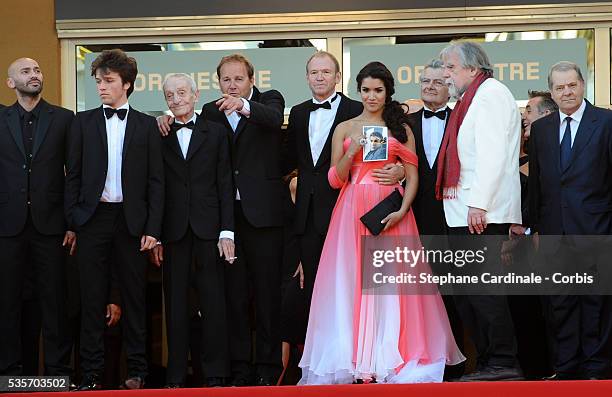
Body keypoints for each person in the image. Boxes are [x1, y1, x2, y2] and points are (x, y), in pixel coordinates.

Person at [298, 61, 465, 385]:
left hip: (391, 213)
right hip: (351, 212)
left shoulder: (401, 128)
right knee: (353, 282)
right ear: (358, 91)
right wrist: (352, 152)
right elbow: (334, 179)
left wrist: (402, 210)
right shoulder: (345, 128)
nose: (372, 96)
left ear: (388, 92)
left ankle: (390, 355)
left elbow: (414, 176)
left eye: (378, 90)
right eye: (366, 90)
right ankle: (358, 359)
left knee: (391, 286)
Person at [159, 54, 285, 386]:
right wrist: (164, 117)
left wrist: (242, 105)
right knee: (233, 296)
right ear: (217, 83)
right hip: (223, 219)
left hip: (263, 216)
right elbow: (188, 126)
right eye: (226, 80)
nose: (231, 85)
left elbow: (272, 119)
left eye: (238, 79)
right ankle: (240, 367)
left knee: (267, 294)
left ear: (251, 80)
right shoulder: (211, 113)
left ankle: (268, 369)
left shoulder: (269, 100)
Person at [282, 51, 404, 356]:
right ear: (307, 77)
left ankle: (366, 352)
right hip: (309, 216)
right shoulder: (297, 113)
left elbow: (388, 154)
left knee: (362, 285)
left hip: (353, 211)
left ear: (338, 78)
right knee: (319, 290)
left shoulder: (360, 109)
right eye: (314, 72)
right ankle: (330, 354)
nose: (320, 77)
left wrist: (401, 169)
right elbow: (291, 162)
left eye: (326, 72)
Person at [65, 49, 164, 390]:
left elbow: (156, 182)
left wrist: (153, 229)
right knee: (91, 298)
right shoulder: (82, 122)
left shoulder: (148, 125)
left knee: (135, 298)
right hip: (93, 219)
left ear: (127, 84)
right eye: (98, 81)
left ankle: (138, 371)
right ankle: (91, 374)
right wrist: (75, 220)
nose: (101, 88)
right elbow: (72, 176)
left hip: (131, 221)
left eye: (108, 81)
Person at [438, 41, 523, 381]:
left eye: (451, 68)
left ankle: (503, 362)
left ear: (472, 69)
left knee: (484, 292)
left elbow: (493, 154)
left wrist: (479, 203)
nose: (446, 74)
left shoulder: (490, 95)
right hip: (464, 212)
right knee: (469, 293)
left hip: (480, 213)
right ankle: (489, 361)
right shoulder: (470, 98)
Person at [150, 73, 235, 388]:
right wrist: (156, 233)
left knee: (214, 302)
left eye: (182, 92)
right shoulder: (158, 132)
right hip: (173, 231)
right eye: (170, 95)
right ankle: (175, 375)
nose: (176, 99)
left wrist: (228, 231)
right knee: (175, 305)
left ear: (196, 94)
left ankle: (216, 374)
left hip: (210, 229)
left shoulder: (215, 132)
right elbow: (154, 186)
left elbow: (225, 183)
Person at [528, 61, 612, 380]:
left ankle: (596, 368)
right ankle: (565, 367)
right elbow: (537, 183)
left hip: (596, 230)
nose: (566, 92)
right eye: (559, 88)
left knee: (596, 303)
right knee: (560, 302)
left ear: (582, 85)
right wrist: (535, 227)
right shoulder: (541, 129)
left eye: (571, 85)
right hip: (553, 232)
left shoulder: (605, 122)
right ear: (552, 92)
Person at [0, 57, 74, 377]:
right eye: (26, 72)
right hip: (7, 226)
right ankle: (10, 370)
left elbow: (75, 175)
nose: (34, 75)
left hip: (52, 225)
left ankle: (58, 369)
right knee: (7, 303)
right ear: (10, 83)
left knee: (54, 302)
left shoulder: (64, 119)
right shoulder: (0, 118)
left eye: (37, 70)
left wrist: (72, 222)